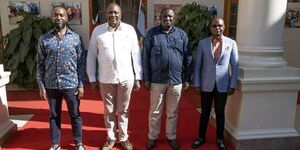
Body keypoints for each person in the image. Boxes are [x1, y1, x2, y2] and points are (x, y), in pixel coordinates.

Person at [86, 3, 142, 150]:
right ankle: (111, 138)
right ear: (106, 14)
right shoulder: (98, 31)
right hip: (105, 79)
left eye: (116, 13)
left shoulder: (129, 30)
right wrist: (92, 78)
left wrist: (138, 77)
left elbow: (136, 54)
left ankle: (124, 138)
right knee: (109, 110)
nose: (113, 15)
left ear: (120, 14)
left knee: (124, 110)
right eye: (110, 12)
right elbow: (91, 55)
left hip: (126, 78)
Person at [142, 7, 193, 150]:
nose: (167, 19)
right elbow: (145, 56)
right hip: (157, 79)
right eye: (165, 16)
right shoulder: (152, 34)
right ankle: (152, 136)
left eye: (170, 17)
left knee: (173, 112)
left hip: (176, 80)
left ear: (174, 18)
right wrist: (146, 78)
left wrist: (187, 78)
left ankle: (171, 136)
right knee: (155, 111)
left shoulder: (182, 35)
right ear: (160, 17)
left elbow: (188, 57)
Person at [37, 6, 86, 150]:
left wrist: (81, 84)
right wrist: (41, 85)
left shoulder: (76, 38)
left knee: (75, 115)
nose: (58, 18)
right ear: (52, 17)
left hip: (71, 84)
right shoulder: (44, 39)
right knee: (54, 116)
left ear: (67, 17)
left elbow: (81, 63)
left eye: (61, 15)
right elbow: (39, 63)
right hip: (52, 85)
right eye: (55, 15)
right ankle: (55, 144)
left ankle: (78, 143)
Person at [191, 17, 239, 150]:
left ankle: (220, 139)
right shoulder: (203, 43)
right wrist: (197, 83)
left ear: (224, 27)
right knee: (205, 112)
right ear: (210, 28)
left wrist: (232, 84)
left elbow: (235, 66)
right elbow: (198, 65)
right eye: (214, 26)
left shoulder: (232, 43)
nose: (217, 28)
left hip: (223, 85)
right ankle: (201, 137)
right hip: (206, 84)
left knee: (220, 113)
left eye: (220, 26)